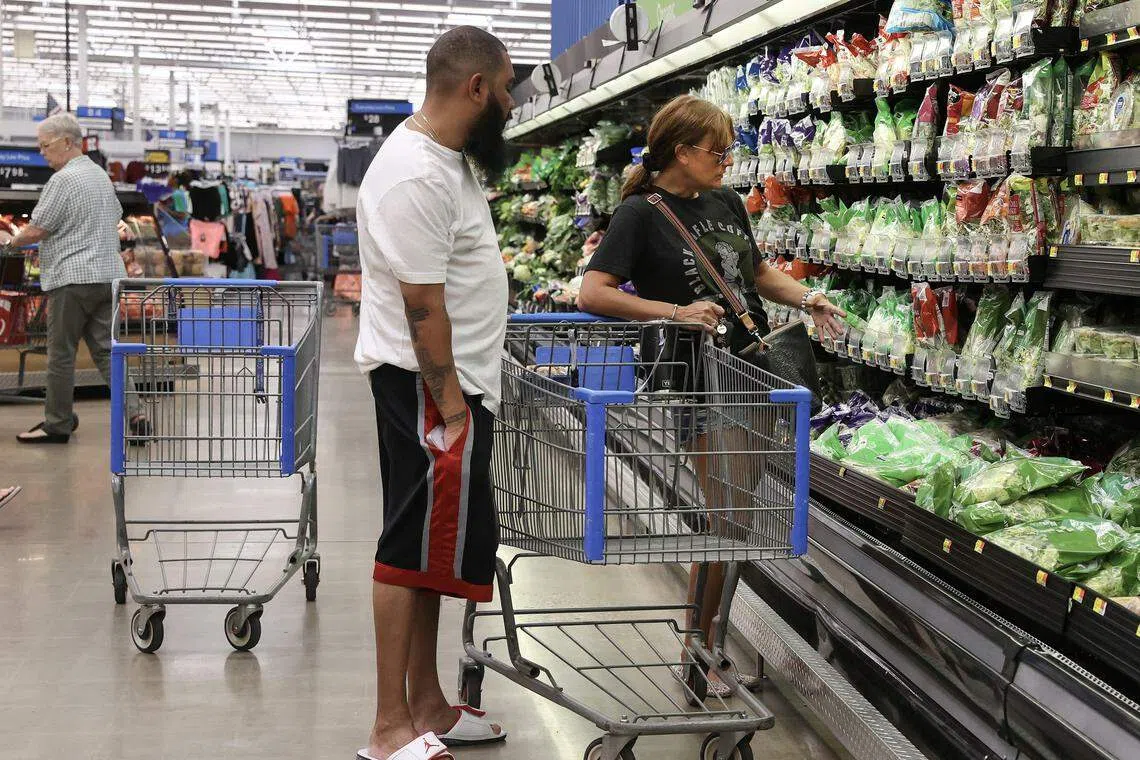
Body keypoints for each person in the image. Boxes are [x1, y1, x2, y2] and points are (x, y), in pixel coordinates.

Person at [576, 94, 845, 698]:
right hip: (697, 379)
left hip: (749, 375)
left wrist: (807, 298)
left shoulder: (725, 202)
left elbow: (752, 274)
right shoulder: (641, 214)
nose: (727, 161)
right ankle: (698, 648)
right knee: (725, 523)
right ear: (681, 152)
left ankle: (708, 642)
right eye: (716, 151)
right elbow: (593, 293)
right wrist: (675, 311)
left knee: (738, 522)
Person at [353, 26, 516, 760]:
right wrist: (450, 408)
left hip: (451, 387)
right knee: (406, 548)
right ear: (477, 87)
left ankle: (427, 706)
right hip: (429, 388)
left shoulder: (446, 162)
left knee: (429, 552)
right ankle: (389, 728)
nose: (510, 103)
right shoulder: (416, 173)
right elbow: (422, 306)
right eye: (507, 87)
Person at [7, 113, 148, 444]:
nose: (42, 152)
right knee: (105, 350)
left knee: (61, 354)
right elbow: (116, 216)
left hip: (72, 279)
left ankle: (57, 423)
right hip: (107, 277)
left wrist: (11, 240)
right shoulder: (99, 176)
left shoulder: (63, 180)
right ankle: (136, 411)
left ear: (67, 142)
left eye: (45, 145)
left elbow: (39, 228)